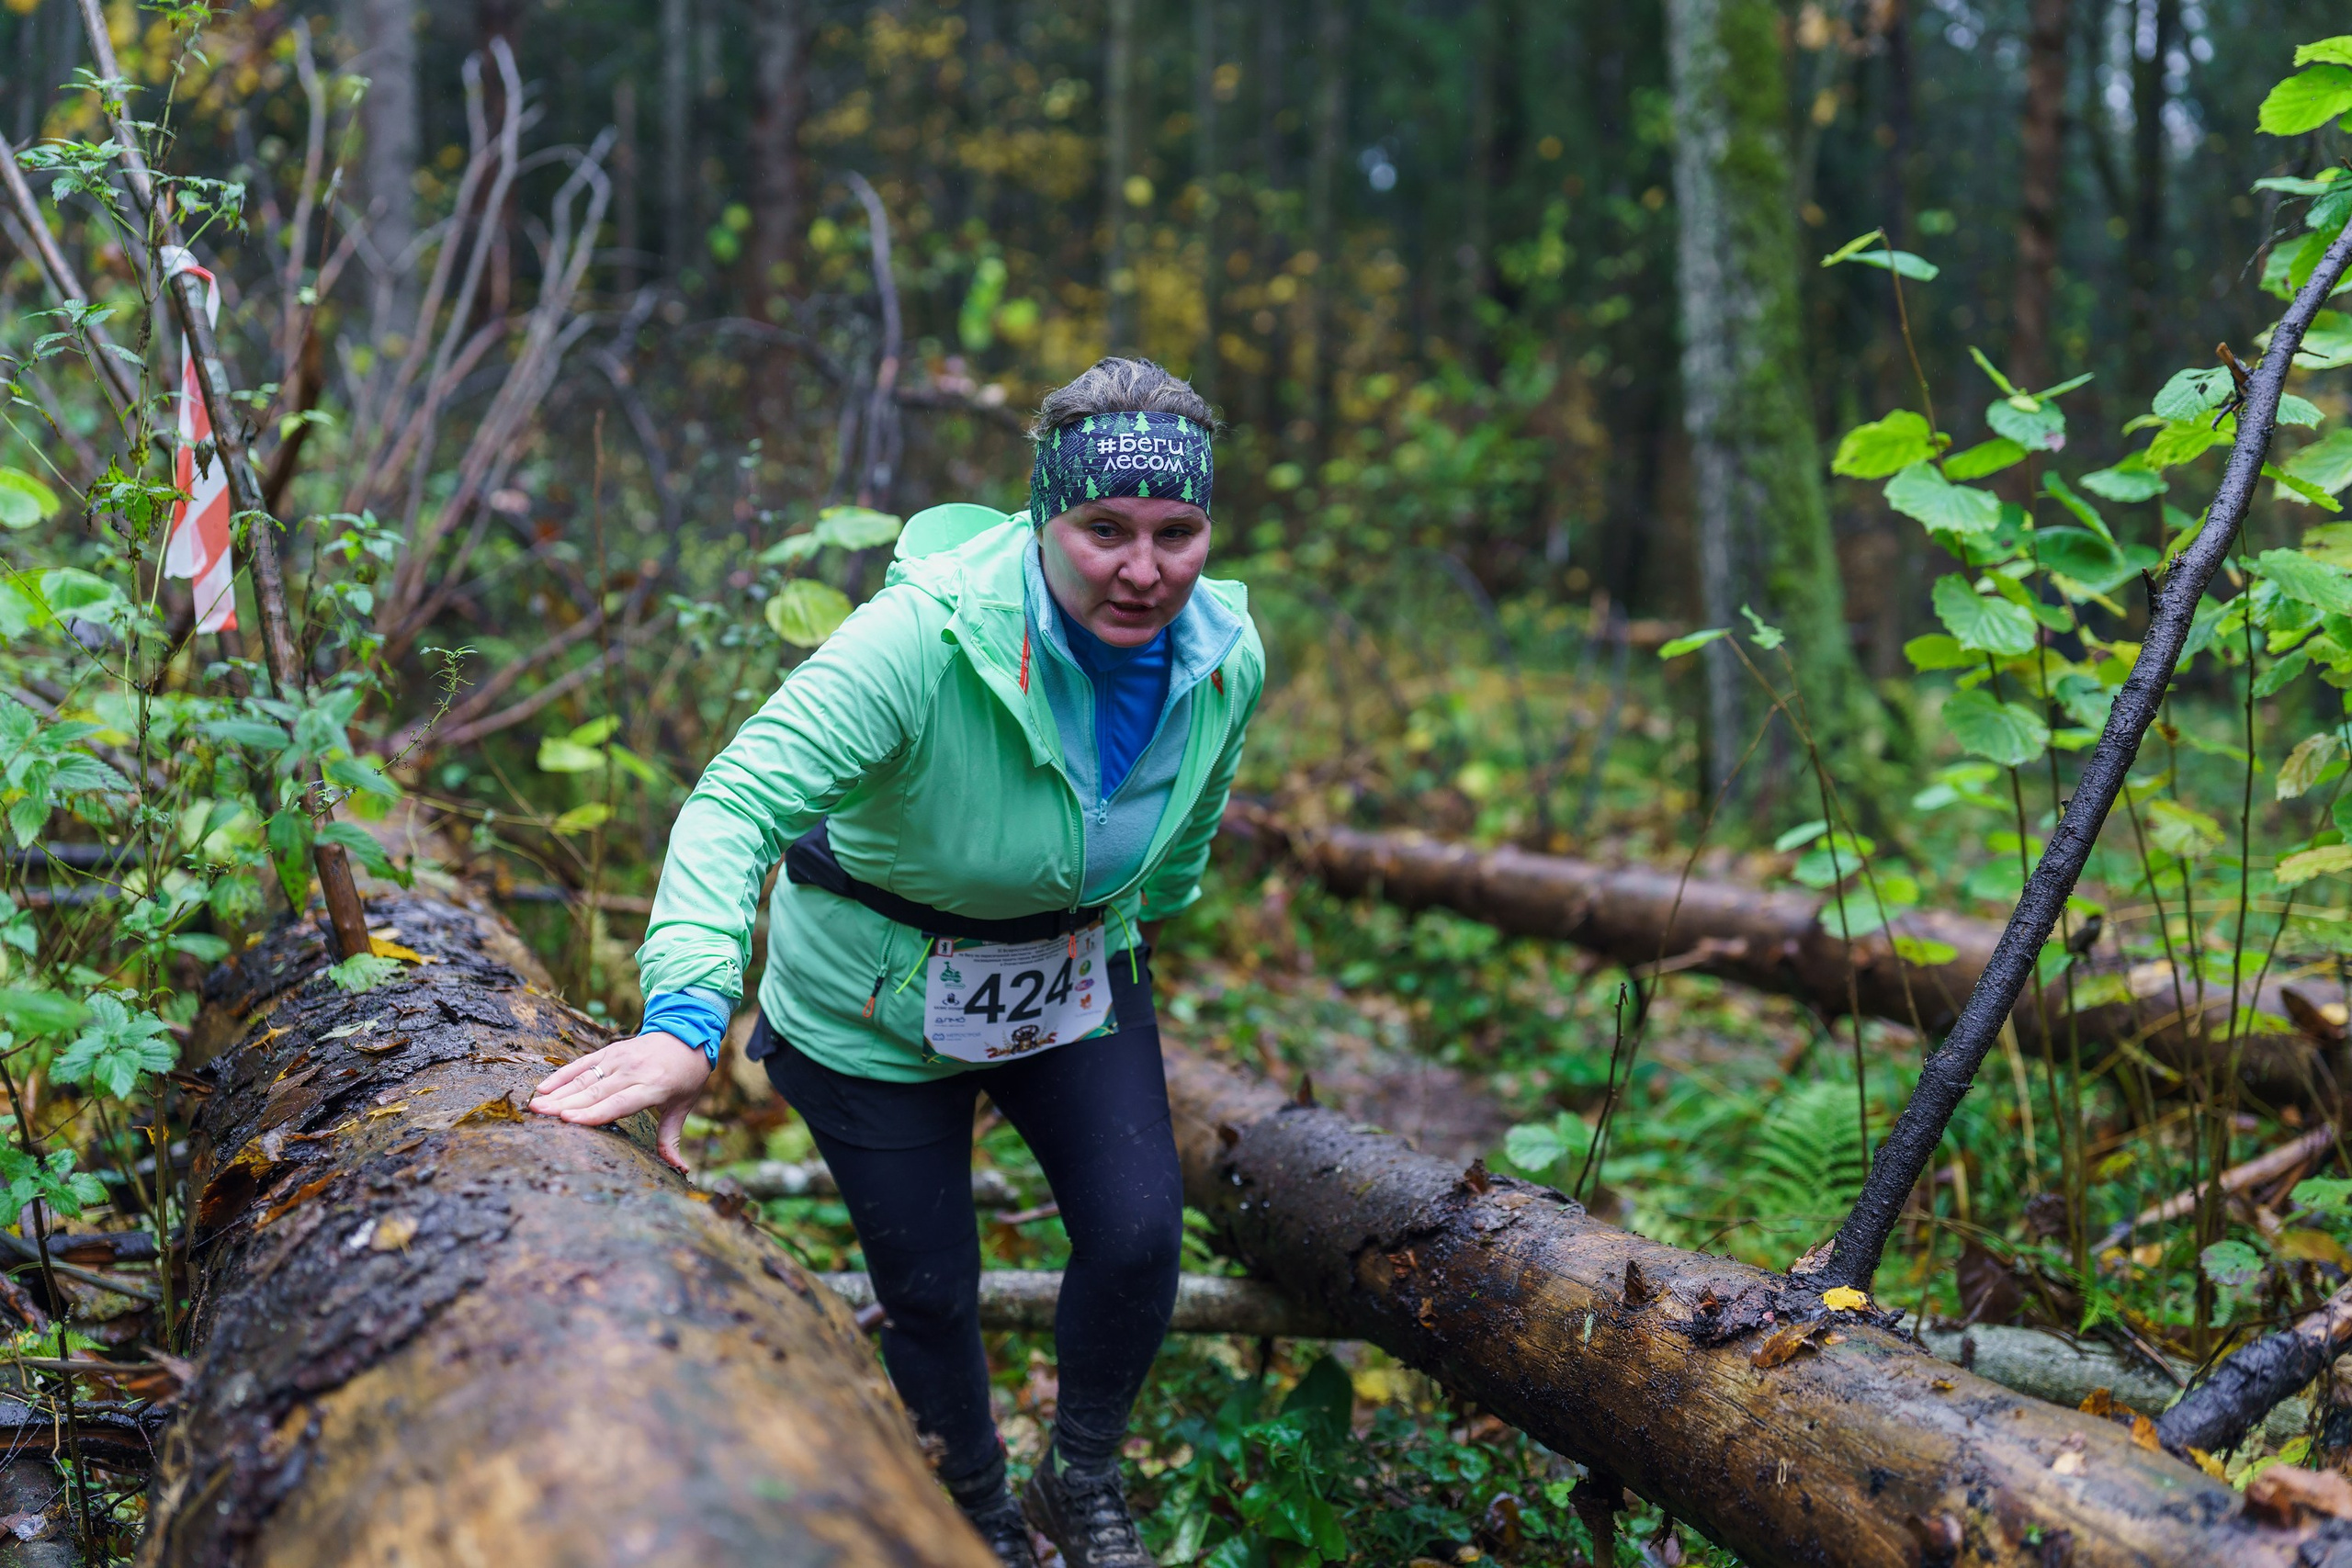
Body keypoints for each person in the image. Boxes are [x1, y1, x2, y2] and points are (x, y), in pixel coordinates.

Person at [528, 357, 1261, 1568]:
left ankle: (1077, 1476)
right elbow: (735, 800)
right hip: (870, 1001)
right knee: (927, 1285)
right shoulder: (920, 640)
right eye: (1105, 530)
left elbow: (1189, 821)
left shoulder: (1224, 655)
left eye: (1177, 532)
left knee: (1138, 1240)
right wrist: (685, 1015)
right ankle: (969, 1496)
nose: (1145, 571)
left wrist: (1141, 922)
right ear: (1043, 516)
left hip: (1072, 981)